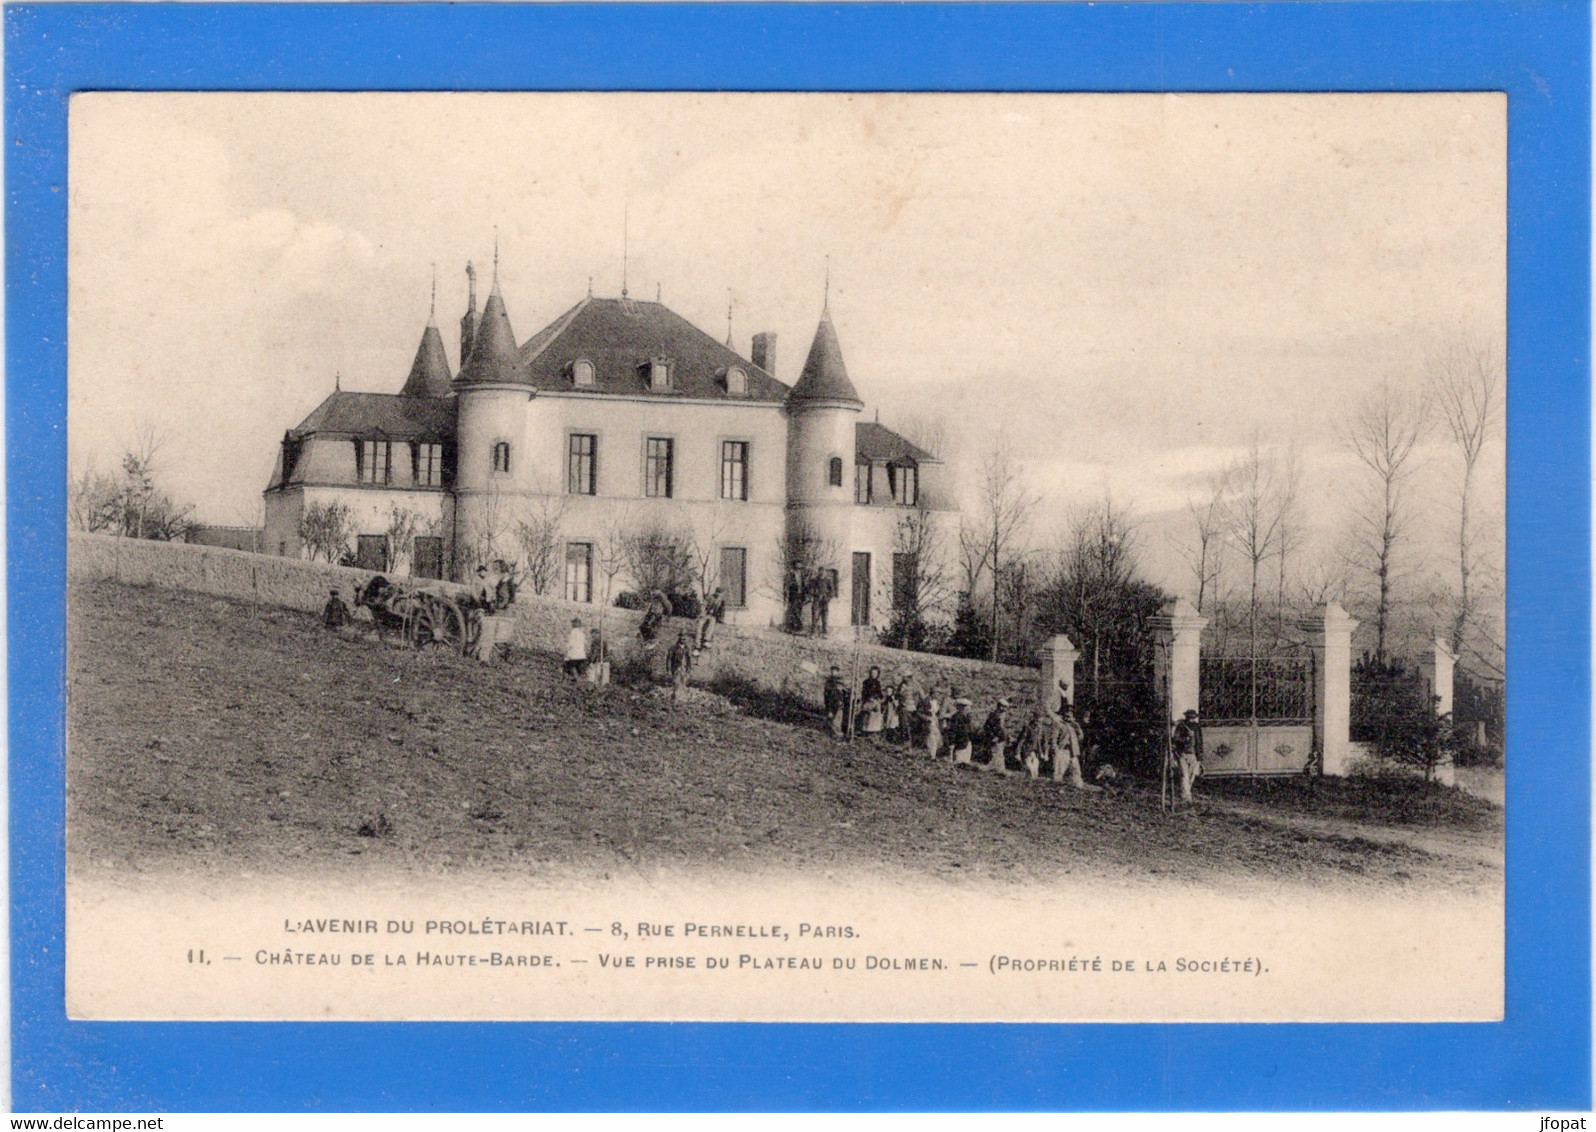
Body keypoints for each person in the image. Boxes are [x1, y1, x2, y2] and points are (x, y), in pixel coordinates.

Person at [1056, 703, 1096, 790]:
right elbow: (1054, 739)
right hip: (1063, 751)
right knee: (1059, 772)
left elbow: (1081, 737)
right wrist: (1056, 750)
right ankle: (1056, 789)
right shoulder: (1060, 724)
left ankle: (1078, 787)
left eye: (1070, 713)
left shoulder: (1075, 725)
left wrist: (1077, 728)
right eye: (1067, 713)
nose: (1069, 715)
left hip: (1073, 752)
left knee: (1076, 772)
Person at [1171, 708, 1204, 803]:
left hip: (1194, 755)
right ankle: (1186, 797)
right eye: (1190, 717)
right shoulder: (1181, 726)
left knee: (1191, 776)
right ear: (1186, 717)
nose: (1191, 719)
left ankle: (1186, 793)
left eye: (1193, 718)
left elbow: (1200, 741)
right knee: (1184, 775)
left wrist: (1200, 754)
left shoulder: (1197, 727)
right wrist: (1185, 739)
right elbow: (1175, 739)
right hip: (1183, 753)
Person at [981, 698, 1013, 774]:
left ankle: (999, 769)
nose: (1004, 709)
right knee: (995, 753)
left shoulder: (1003, 716)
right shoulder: (993, 715)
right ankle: (995, 769)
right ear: (999, 706)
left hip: (1001, 738)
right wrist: (992, 737)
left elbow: (1003, 728)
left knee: (1000, 754)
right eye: (1003, 707)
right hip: (996, 738)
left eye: (1006, 707)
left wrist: (1008, 736)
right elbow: (987, 727)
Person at [823, 665, 851, 739]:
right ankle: (834, 734)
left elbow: (846, 692)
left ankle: (838, 733)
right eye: (832, 671)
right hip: (830, 702)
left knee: (837, 719)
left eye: (835, 671)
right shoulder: (828, 682)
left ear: (838, 672)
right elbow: (826, 694)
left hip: (839, 703)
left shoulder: (840, 682)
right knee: (831, 718)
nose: (833, 673)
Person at [946, 698, 975, 764]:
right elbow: (953, 730)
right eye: (966, 708)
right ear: (961, 708)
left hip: (966, 742)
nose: (968, 709)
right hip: (960, 742)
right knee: (959, 762)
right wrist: (951, 742)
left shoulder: (966, 717)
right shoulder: (956, 717)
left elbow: (970, 729)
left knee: (965, 762)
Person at [667, 631, 694, 704]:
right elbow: (669, 660)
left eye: (685, 637)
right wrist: (669, 670)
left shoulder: (687, 649)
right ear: (679, 637)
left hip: (684, 669)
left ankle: (683, 699)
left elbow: (689, 661)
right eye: (682, 636)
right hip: (676, 668)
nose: (683, 638)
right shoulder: (673, 648)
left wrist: (689, 670)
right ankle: (674, 698)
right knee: (676, 683)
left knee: (684, 682)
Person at [859, 666, 885, 738]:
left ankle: (874, 733)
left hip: (875, 701)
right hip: (868, 701)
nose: (874, 674)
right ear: (870, 673)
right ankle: (866, 733)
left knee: (876, 716)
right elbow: (864, 692)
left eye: (875, 673)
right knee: (867, 716)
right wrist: (868, 698)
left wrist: (879, 698)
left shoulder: (878, 682)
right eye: (872, 673)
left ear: (877, 674)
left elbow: (879, 693)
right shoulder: (866, 682)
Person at [696, 587, 726, 652]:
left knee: (712, 623)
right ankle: (697, 645)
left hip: (712, 616)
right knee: (700, 626)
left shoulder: (721, 601)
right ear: (716, 593)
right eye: (719, 594)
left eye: (721, 594)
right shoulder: (709, 597)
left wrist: (721, 619)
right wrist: (702, 614)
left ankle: (706, 640)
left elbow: (722, 610)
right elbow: (703, 606)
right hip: (705, 614)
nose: (720, 595)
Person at [920, 686, 944, 758]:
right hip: (928, 722)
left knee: (937, 738)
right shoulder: (925, 701)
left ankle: (933, 754)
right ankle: (931, 755)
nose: (938, 695)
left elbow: (938, 712)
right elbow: (918, 713)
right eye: (937, 693)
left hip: (936, 722)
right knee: (931, 738)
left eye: (939, 694)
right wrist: (926, 718)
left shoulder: (938, 702)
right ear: (932, 693)